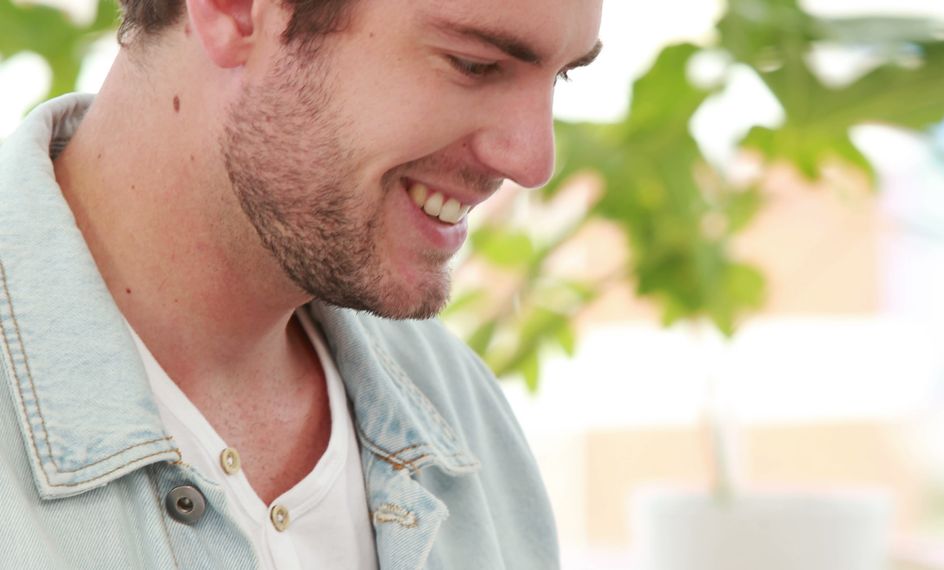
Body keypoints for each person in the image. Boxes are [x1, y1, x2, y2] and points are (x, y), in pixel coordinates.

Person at [0, 0, 602, 567]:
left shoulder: (464, 414)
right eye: (475, 64)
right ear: (236, 12)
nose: (533, 161)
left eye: (562, 78)